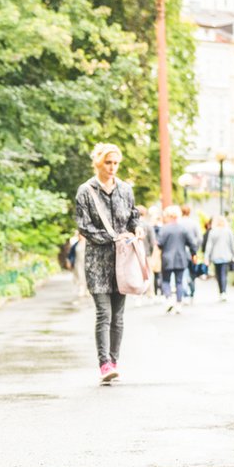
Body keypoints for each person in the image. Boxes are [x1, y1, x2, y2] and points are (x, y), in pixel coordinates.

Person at [75, 143, 140, 384]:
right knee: (104, 313)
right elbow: (84, 226)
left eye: (115, 163)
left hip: (122, 262)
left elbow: (134, 216)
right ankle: (104, 364)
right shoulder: (86, 191)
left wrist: (138, 229)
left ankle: (114, 361)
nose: (112, 167)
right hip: (97, 263)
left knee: (119, 316)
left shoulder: (126, 189)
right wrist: (112, 238)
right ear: (98, 163)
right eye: (107, 163)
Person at [156, 205, 198, 313]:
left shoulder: (164, 229)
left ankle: (169, 299)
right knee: (179, 282)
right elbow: (192, 243)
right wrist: (194, 254)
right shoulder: (182, 228)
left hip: (167, 259)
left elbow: (159, 244)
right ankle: (179, 304)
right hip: (181, 258)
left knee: (165, 281)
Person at [204, 216, 234, 301]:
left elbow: (209, 246)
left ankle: (221, 292)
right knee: (224, 275)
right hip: (226, 256)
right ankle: (223, 292)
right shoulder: (228, 231)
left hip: (216, 257)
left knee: (218, 275)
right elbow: (232, 244)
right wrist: (233, 255)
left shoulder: (213, 232)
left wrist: (207, 257)